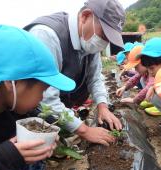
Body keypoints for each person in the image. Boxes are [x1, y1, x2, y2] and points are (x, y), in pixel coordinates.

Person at [0, 25, 76, 170]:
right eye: (42, 89)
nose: (43, 97)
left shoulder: (12, 109)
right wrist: (5, 157)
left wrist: (51, 130)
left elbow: (35, 114)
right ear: (12, 83)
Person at [24, 0, 125, 147]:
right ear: (85, 16)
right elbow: (45, 97)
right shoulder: (47, 35)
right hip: (29, 114)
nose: (104, 43)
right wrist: (84, 130)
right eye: (104, 34)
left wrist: (103, 106)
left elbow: (96, 78)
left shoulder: (89, 44)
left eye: (109, 39)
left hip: (61, 107)